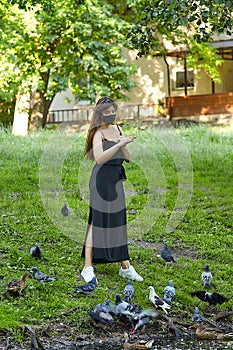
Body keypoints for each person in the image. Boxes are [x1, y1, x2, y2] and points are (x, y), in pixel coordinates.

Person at [81, 96, 143, 283]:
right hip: (101, 181)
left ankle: (125, 266)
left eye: (112, 111)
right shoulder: (97, 133)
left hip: (115, 181)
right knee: (97, 221)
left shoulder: (118, 129)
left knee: (118, 221)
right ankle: (87, 267)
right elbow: (99, 158)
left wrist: (124, 144)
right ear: (100, 114)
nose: (111, 114)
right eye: (107, 112)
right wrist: (118, 144)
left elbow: (129, 158)